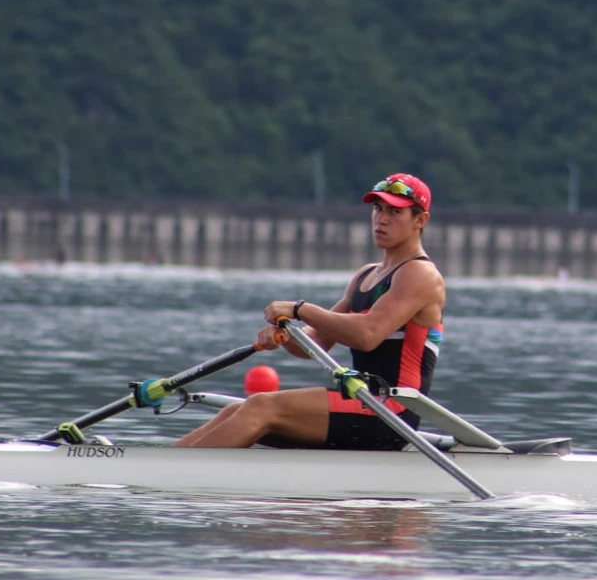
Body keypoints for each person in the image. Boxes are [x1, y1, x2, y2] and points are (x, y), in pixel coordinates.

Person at [174, 173, 445, 450]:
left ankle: (174, 478)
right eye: (378, 209)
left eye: (395, 212)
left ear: (420, 221)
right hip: (363, 401)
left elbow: (367, 335)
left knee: (261, 407)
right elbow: (313, 346)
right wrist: (286, 336)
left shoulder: (420, 274)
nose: (382, 219)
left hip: (392, 411)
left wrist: (300, 309)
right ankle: (167, 465)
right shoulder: (367, 275)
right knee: (236, 411)